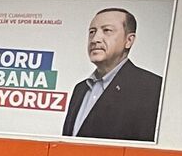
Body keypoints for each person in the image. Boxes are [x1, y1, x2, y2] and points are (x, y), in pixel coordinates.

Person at [59, 8, 165, 142]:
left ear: (129, 40)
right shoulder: (80, 89)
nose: (95, 39)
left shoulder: (152, 88)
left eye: (107, 30)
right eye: (92, 32)